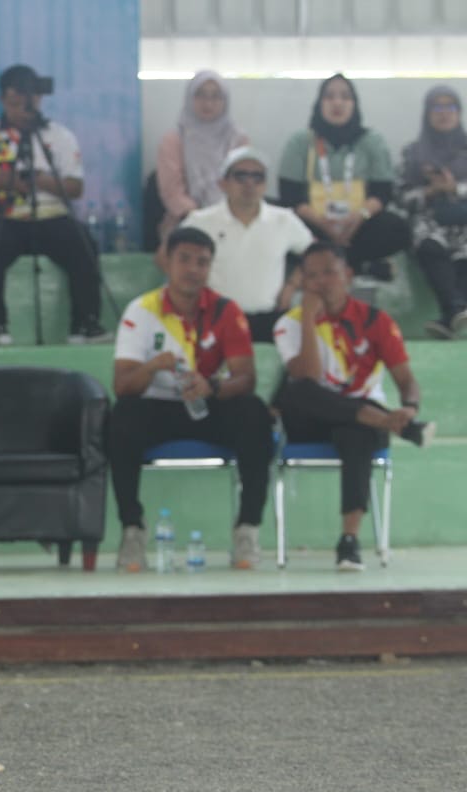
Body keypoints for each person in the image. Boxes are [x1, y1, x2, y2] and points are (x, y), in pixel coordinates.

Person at [110, 227, 272, 573]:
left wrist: (212, 386)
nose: (193, 269)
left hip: (208, 405)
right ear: (166, 262)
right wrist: (153, 366)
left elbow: (246, 378)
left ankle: (247, 529)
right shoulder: (141, 311)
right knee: (121, 417)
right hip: (158, 408)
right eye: (184, 259)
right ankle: (133, 529)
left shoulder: (226, 311)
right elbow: (122, 385)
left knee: (255, 413)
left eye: (202, 262)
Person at [273, 243, 435, 572]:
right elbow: (309, 376)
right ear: (303, 283)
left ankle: (349, 541)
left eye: (329, 273)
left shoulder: (376, 321)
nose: (321, 282)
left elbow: (407, 380)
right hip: (311, 416)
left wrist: (410, 408)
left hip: (361, 419)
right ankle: (394, 426)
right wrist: (307, 318)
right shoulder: (288, 325)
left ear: (347, 275)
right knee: (297, 391)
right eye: (312, 276)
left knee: (356, 432)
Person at [0, 64, 110, 345]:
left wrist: (41, 180)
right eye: (15, 103)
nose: (24, 109)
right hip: (2, 217)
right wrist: (6, 181)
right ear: (2, 100)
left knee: (83, 243)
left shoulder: (59, 136)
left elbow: (75, 188)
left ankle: (85, 325)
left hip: (52, 216)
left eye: (31, 101)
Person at [277, 74, 410, 278]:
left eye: (345, 96)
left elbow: (382, 192)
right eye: (329, 96)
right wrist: (323, 223)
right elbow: (289, 195)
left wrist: (358, 218)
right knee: (278, 222)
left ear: (354, 104)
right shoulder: (301, 141)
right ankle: (356, 265)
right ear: (319, 103)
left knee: (397, 228)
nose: (337, 102)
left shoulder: (372, 141)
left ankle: (330, 262)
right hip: (315, 224)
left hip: (358, 224)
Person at [179, 147, 314, 342]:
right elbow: (166, 256)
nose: (249, 184)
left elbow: (317, 257)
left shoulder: (284, 220)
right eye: (240, 176)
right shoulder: (201, 221)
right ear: (223, 183)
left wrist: (292, 285)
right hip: (214, 319)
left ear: (265, 185)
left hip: (268, 320)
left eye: (257, 177)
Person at [396, 85, 467, 339]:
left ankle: (451, 314)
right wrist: (429, 192)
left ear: (459, 112)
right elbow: (401, 197)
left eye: (450, 106)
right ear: (427, 113)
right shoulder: (412, 153)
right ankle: (456, 309)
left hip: (464, 218)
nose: (444, 113)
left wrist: (454, 188)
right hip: (430, 218)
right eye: (437, 106)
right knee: (428, 242)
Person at [155, 70, 249, 242]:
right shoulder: (174, 140)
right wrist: (205, 219)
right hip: (185, 222)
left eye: (216, 96)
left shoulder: (238, 140)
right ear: (190, 98)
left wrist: (225, 217)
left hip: (233, 218)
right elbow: (172, 193)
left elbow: (244, 186)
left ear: (225, 101)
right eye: (201, 95)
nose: (208, 103)